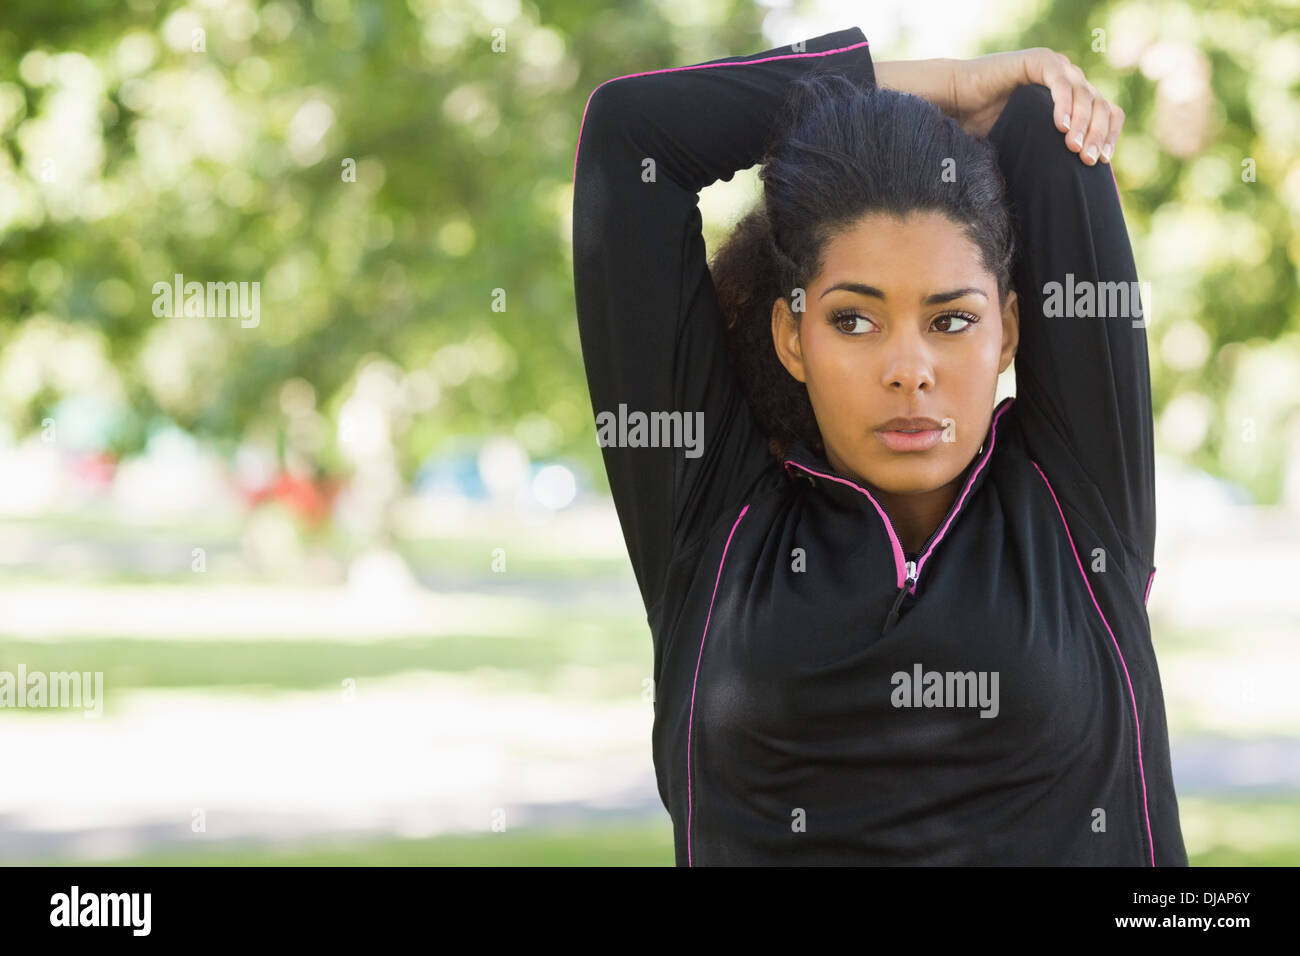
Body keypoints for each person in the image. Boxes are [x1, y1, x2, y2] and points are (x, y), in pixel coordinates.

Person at [571, 26, 1187, 866]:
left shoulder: (1079, 503)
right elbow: (631, 133)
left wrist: (1007, 107)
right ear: (792, 335)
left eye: (951, 320)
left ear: (1008, 328)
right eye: (853, 319)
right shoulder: (712, 521)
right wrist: (952, 85)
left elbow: (1047, 132)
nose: (910, 370)